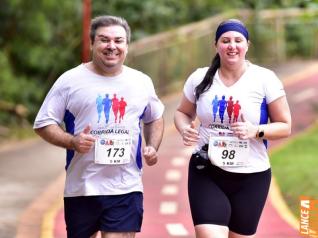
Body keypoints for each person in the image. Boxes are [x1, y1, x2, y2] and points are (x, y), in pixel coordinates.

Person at [33, 15, 164, 238]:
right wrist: (72, 141)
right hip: (82, 187)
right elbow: (43, 123)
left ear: (126, 45)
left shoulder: (141, 81)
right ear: (92, 43)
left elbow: (155, 117)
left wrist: (152, 146)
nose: (112, 46)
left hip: (126, 186)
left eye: (118, 40)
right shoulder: (70, 80)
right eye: (104, 40)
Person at [174, 19, 291, 238]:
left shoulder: (265, 79)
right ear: (216, 45)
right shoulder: (199, 78)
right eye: (225, 40)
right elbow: (182, 112)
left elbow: (285, 126)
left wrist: (255, 130)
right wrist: (184, 129)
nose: (232, 46)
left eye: (238, 40)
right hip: (206, 170)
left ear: (247, 44)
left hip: (251, 176)